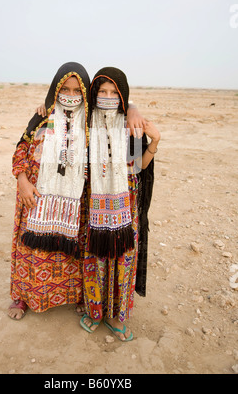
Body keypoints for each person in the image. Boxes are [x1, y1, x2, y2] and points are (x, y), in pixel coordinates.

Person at [80, 67, 160, 341]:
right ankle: (94, 311)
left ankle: (116, 317)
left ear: (122, 95)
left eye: (114, 92)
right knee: (95, 261)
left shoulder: (130, 126)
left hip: (125, 208)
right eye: (102, 91)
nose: (108, 96)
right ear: (94, 93)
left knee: (122, 262)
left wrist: (155, 141)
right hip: (94, 208)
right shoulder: (86, 123)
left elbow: (138, 166)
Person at [8, 62, 91, 320]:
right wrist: (22, 180)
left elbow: (124, 105)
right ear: (55, 89)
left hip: (74, 201)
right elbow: (20, 149)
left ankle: (75, 296)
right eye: (65, 88)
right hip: (36, 196)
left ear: (86, 92)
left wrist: (134, 109)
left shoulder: (91, 122)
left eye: (78, 90)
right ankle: (24, 297)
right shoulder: (43, 116)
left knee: (71, 251)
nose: (71, 95)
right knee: (31, 251)